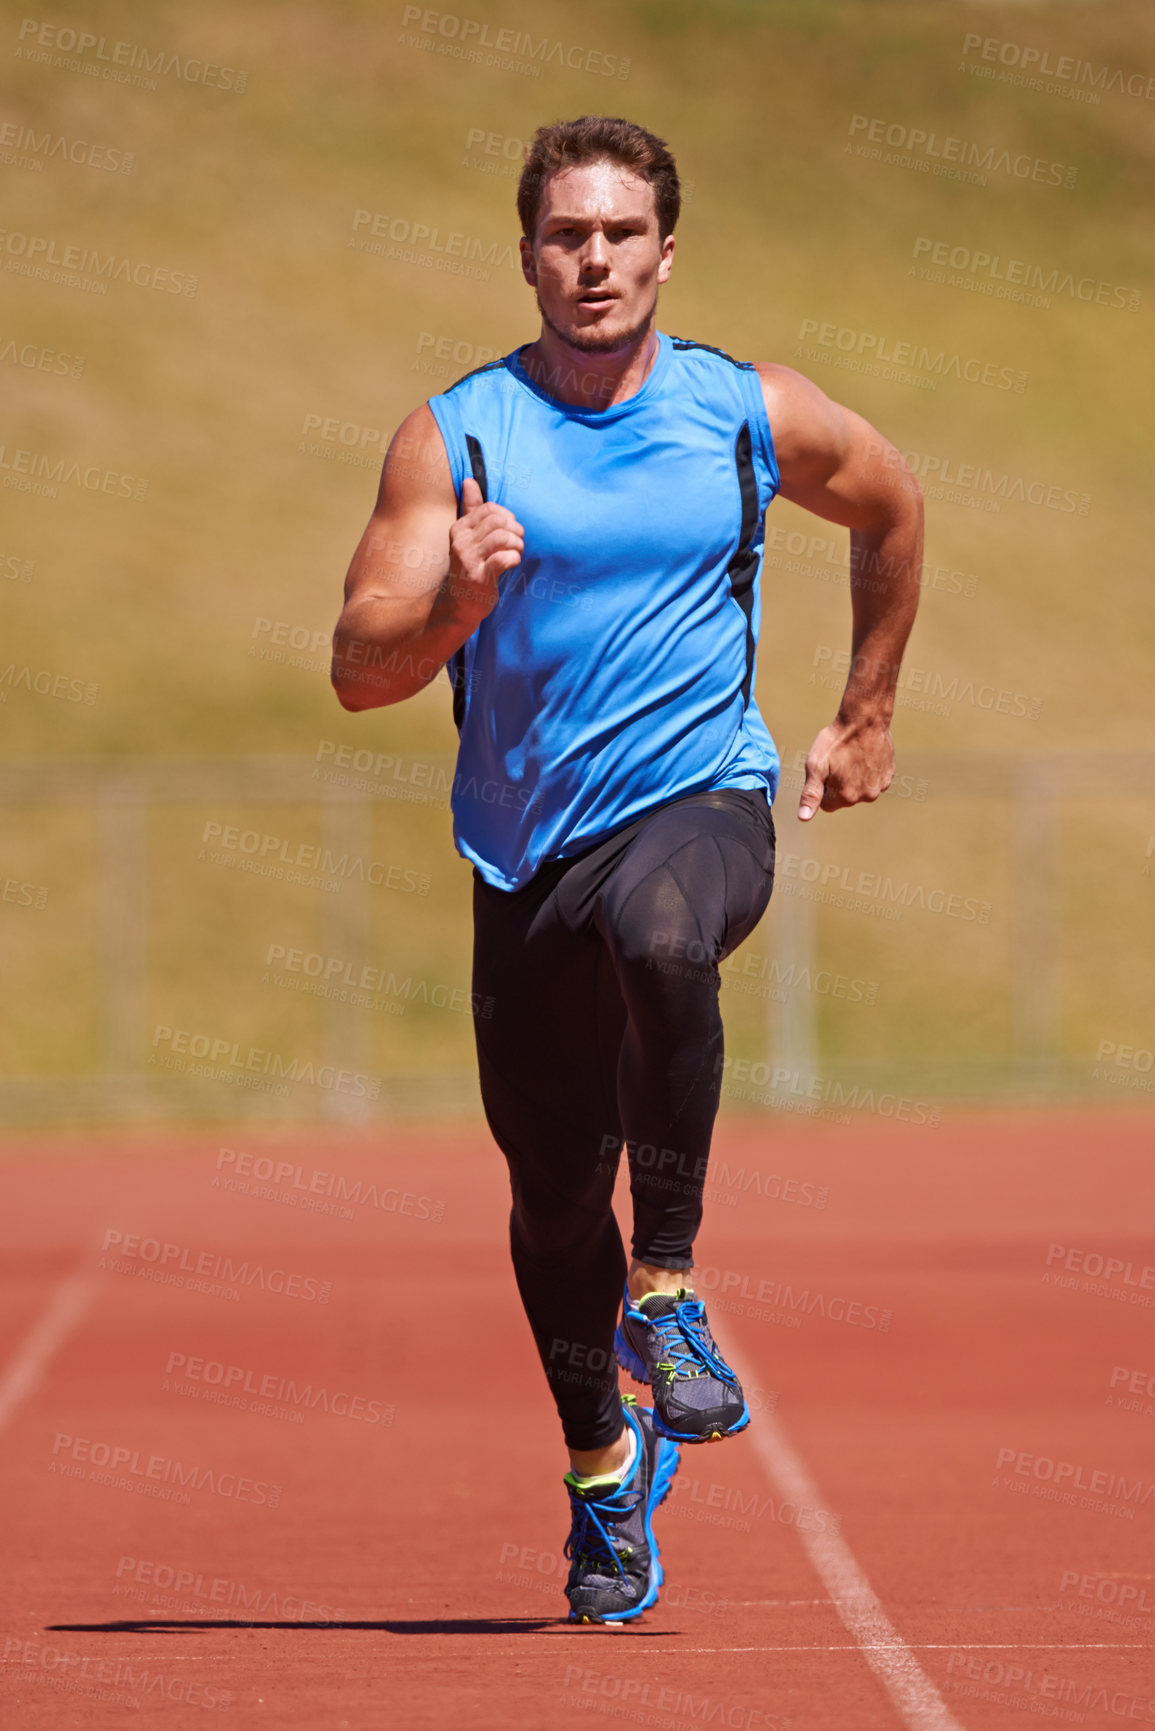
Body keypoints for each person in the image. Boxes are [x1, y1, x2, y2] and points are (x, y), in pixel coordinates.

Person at [331, 115, 923, 1623]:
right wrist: (458, 603)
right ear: (526, 253)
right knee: (546, 1198)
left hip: (698, 798)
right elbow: (356, 671)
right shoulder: (455, 436)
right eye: (564, 236)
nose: (592, 261)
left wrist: (864, 715)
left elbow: (893, 505)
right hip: (525, 850)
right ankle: (603, 1478)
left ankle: (667, 1292)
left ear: (667, 250)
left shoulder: (746, 414)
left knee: (669, 938)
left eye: (619, 235)